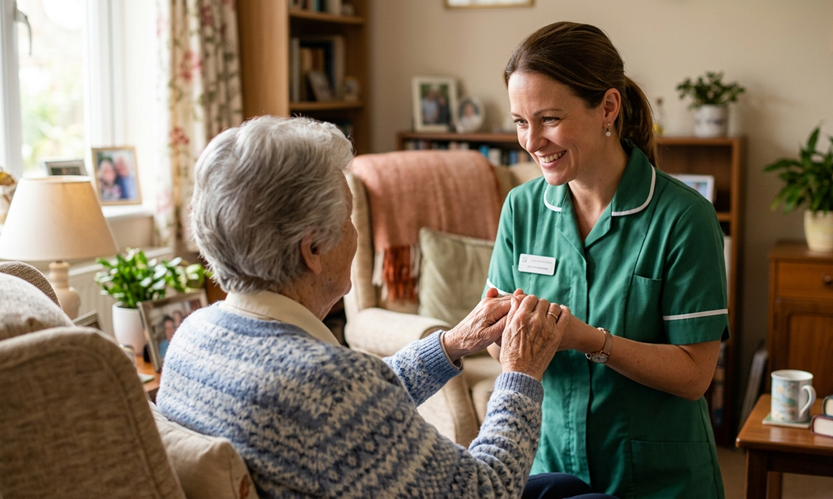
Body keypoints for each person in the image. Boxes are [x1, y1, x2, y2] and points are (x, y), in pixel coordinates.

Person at [156, 116, 616, 499]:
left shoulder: (191, 335)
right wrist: (520, 373)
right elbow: (486, 491)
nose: (356, 235)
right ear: (312, 249)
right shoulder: (325, 387)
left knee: (559, 485)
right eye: (348, 219)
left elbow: (361, 404)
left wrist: (451, 345)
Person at [486, 22, 728, 498]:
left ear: (608, 108)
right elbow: (501, 346)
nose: (532, 141)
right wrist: (505, 337)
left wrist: (589, 341)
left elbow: (695, 375)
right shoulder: (521, 207)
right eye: (519, 121)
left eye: (550, 119)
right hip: (552, 471)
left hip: (656, 479)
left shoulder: (684, 217)